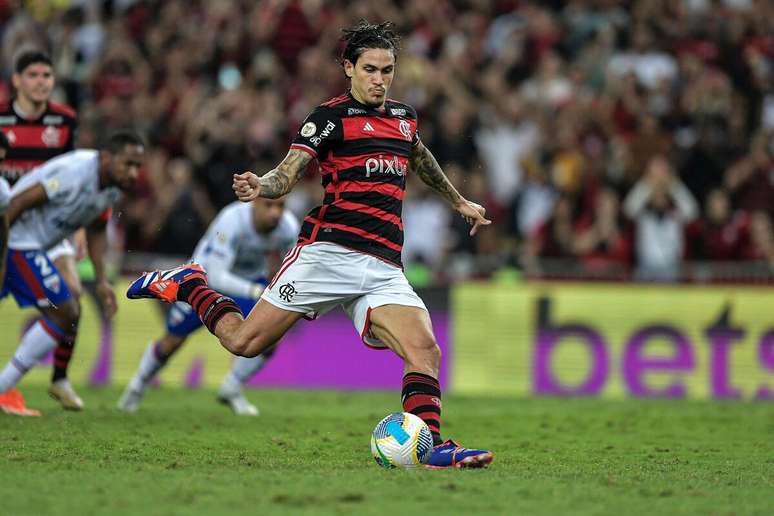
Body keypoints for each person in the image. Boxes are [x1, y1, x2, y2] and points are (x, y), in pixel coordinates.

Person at [128, 21, 493, 468]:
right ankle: (190, 285)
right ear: (349, 68)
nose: (380, 79)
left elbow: (419, 157)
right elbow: (287, 173)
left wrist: (458, 201)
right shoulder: (329, 118)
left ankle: (430, 445)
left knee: (425, 350)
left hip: (383, 265)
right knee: (244, 342)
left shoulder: (403, 118)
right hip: (327, 254)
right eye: (371, 69)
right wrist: (259, 185)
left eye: (388, 70)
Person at [0, 131, 144, 416]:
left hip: (42, 244)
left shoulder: (113, 186)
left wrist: (102, 280)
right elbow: (16, 204)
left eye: (138, 166)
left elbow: (98, 228)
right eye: (128, 164)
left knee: (69, 309)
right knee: (64, 310)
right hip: (17, 239)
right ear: (106, 157)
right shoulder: (73, 173)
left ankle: (56, 379)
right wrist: (2, 257)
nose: (134, 173)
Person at [118, 196, 299, 415]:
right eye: (268, 206)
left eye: (280, 206)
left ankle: (232, 387)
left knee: (272, 333)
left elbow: (291, 267)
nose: (275, 213)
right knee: (172, 341)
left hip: (250, 281)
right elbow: (217, 275)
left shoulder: (288, 228)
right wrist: (258, 292)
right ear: (254, 203)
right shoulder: (231, 221)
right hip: (203, 282)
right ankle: (138, 385)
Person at [0, 49, 87, 409]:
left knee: (73, 295)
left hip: (49, 227)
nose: (41, 82)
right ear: (17, 81)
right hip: (6, 222)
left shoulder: (64, 121)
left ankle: (60, 378)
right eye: (33, 75)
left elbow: (76, 174)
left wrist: (79, 227)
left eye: (47, 76)